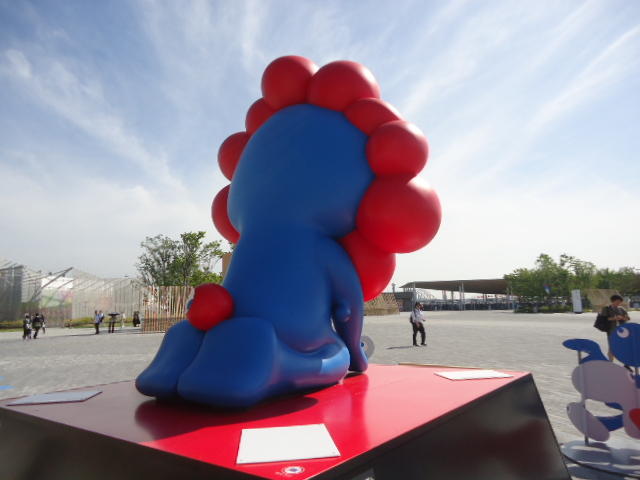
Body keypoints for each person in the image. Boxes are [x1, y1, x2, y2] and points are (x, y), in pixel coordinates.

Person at [603, 294, 630, 361]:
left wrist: (623, 318)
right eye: (617, 301)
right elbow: (604, 319)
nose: (619, 303)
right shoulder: (606, 309)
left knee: (624, 347)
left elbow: (628, 318)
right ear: (613, 301)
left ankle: (626, 363)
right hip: (611, 331)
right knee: (612, 347)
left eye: (620, 302)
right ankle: (610, 362)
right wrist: (614, 318)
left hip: (622, 331)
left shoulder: (621, 309)